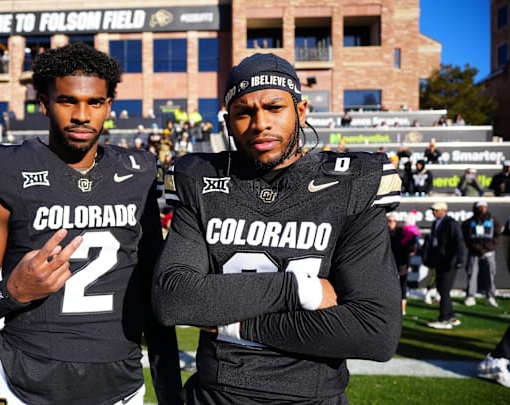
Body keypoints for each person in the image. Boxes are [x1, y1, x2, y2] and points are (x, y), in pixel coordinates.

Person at [153, 52, 402, 404]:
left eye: (274, 107)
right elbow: (174, 299)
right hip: (216, 394)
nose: (260, 123)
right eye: (244, 112)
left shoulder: (351, 183)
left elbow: (374, 331)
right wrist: (301, 291)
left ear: (300, 111)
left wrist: (235, 326)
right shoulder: (201, 179)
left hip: (312, 397)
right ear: (228, 122)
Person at [0, 42, 182, 405]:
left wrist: (170, 389)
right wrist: (10, 293)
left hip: (117, 383)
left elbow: (153, 293)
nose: (81, 114)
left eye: (94, 102)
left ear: (108, 105)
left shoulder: (137, 171)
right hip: (23, 382)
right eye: (67, 101)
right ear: (43, 103)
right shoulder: (5, 168)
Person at [423, 202, 467, 329]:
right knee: (443, 289)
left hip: (449, 262)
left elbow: (458, 241)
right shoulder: (436, 223)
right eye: (433, 210)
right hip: (440, 262)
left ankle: (445, 319)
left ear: (444, 210)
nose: (434, 212)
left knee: (444, 289)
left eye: (436, 210)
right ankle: (451, 316)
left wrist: (460, 259)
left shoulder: (451, 223)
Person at [461, 201, 501, 308]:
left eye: (484, 207)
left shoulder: (493, 221)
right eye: (480, 208)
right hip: (474, 252)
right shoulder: (469, 222)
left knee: (490, 274)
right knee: (472, 274)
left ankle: (490, 297)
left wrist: (488, 247)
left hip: (489, 252)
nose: (482, 209)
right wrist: (476, 247)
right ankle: (470, 296)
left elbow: (497, 236)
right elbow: (466, 237)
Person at [387, 212, 420, 316]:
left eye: (394, 221)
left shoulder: (402, 232)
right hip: (387, 263)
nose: (391, 223)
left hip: (401, 263)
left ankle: (402, 309)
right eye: (389, 221)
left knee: (402, 285)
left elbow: (410, 247)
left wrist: (408, 264)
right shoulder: (383, 233)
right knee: (388, 286)